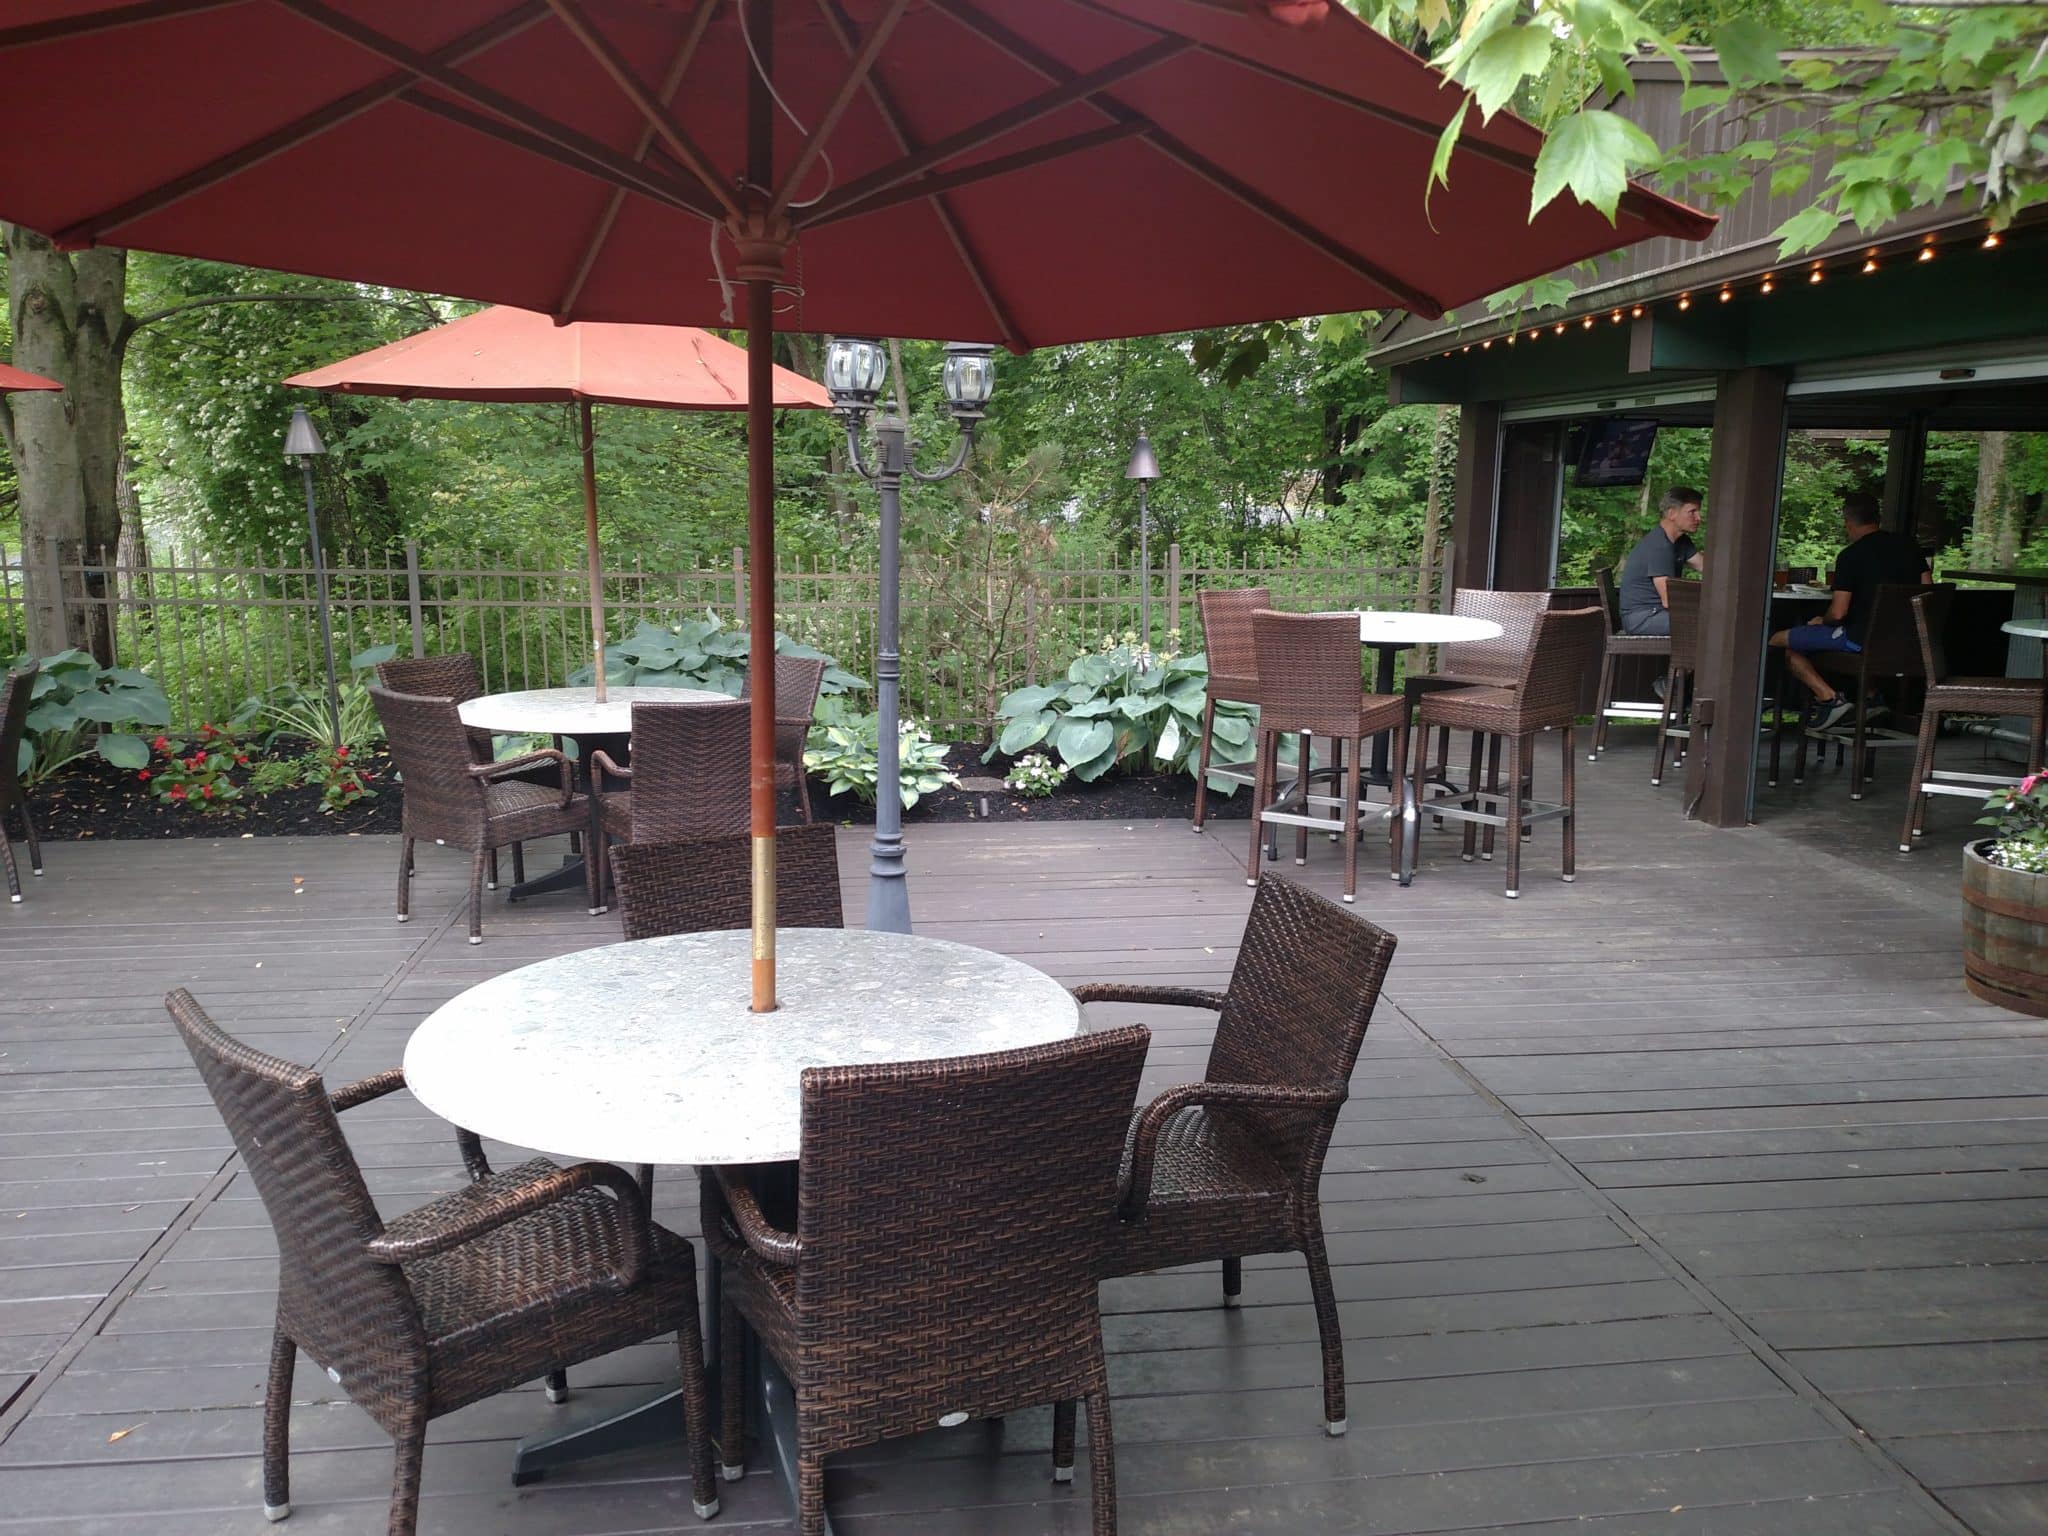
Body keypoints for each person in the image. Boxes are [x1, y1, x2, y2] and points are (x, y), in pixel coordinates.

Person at [1768, 491, 1931, 732]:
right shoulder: (1911, 548)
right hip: (1907, 644)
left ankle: (1829, 699)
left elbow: (1838, 613)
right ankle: (1872, 698)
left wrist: (1819, 621)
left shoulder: (1851, 556)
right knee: (1856, 644)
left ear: (1848, 523)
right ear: (1878, 519)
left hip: (1860, 640)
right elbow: (1928, 592)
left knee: (1779, 641)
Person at [1617, 487, 1705, 637]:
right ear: (1671, 513)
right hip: (1643, 618)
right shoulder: (1659, 546)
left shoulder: (1681, 541)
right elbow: (1669, 600)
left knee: (1714, 619)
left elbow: (1709, 568)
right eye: (1692, 512)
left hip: (1659, 613)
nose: (1699, 518)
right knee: (1710, 623)